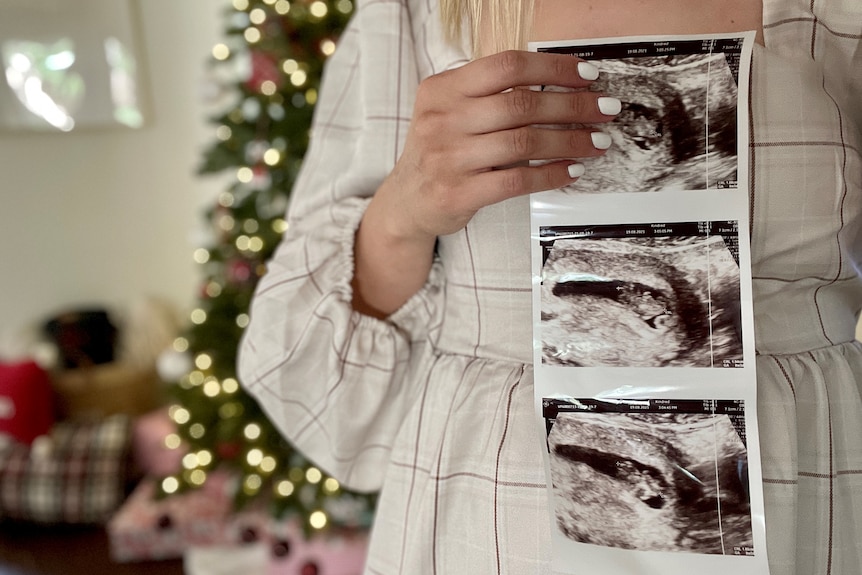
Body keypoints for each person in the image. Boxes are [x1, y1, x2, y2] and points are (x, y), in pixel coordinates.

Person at [237, 0, 862, 573]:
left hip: (808, 502)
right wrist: (402, 214)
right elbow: (315, 390)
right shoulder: (410, 15)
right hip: (483, 527)